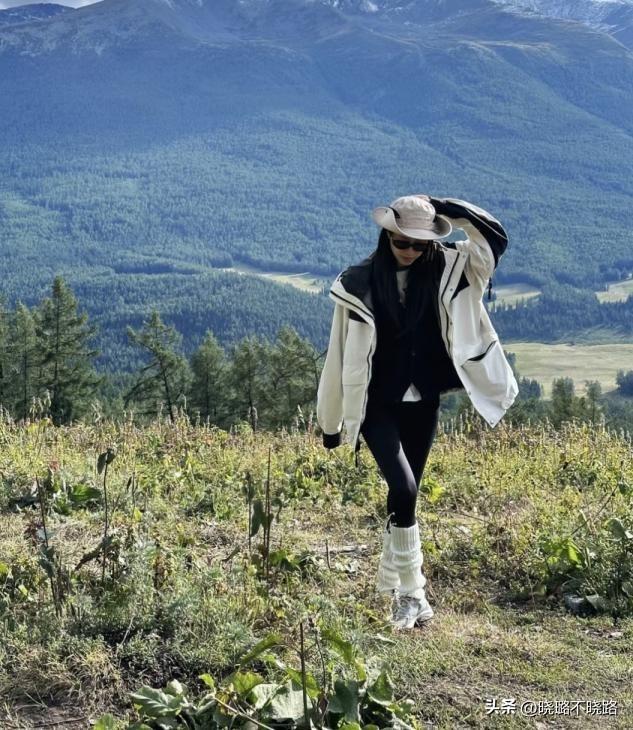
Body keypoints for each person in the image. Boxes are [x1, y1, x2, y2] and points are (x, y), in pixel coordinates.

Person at [316, 194, 519, 630]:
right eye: (401, 241)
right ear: (386, 236)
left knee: (404, 496)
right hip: (375, 403)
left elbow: (494, 240)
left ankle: (387, 585)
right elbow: (338, 355)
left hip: (424, 399)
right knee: (404, 488)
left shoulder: (452, 267)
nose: (409, 250)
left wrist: (446, 209)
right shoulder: (358, 282)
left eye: (420, 243)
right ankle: (414, 595)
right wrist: (330, 423)